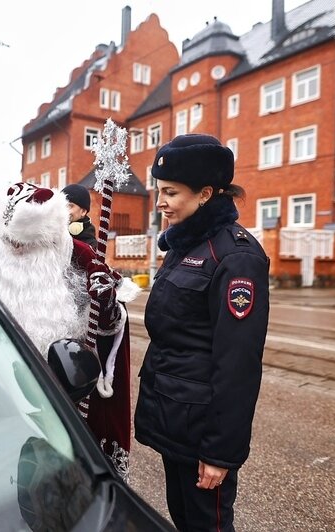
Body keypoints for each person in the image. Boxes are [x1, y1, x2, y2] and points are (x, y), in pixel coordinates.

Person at [133, 134, 270, 532]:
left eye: (170, 192)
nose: (160, 202)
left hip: (201, 436)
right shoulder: (184, 245)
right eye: (160, 191)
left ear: (206, 193)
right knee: (184, 519)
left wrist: (219, 453)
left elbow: (238, 364)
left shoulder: (235, 255)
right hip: (175, 422)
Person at [0, 182, 139, 480]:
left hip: (62, 402)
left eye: (24, 242)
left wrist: (105, 304)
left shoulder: (79, 255)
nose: (16, 248)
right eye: (9, 240)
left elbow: (111, 326)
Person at [61, 183, 97, 250]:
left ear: (83, 212)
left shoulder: (91, 246)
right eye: (62, 205)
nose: (64, 210)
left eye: (70, 206)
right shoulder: (53, 236)